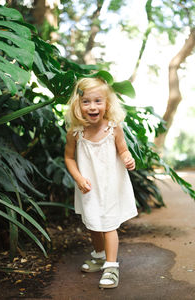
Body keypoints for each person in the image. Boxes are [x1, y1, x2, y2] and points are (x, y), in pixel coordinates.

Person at [64, 77, 138, 289]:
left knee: (109, 225)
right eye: (86, 101)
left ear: (107, 104)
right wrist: (78, 178)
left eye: (98, 101)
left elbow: (123, 149)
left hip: (111, 185)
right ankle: (98, 255)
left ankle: (111, 265)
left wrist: (127, 158)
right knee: (93, 224)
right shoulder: (75, 132)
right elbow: (69, 158)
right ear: (77, 105)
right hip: (89, 186)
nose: (92, 106)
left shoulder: (113, 129)